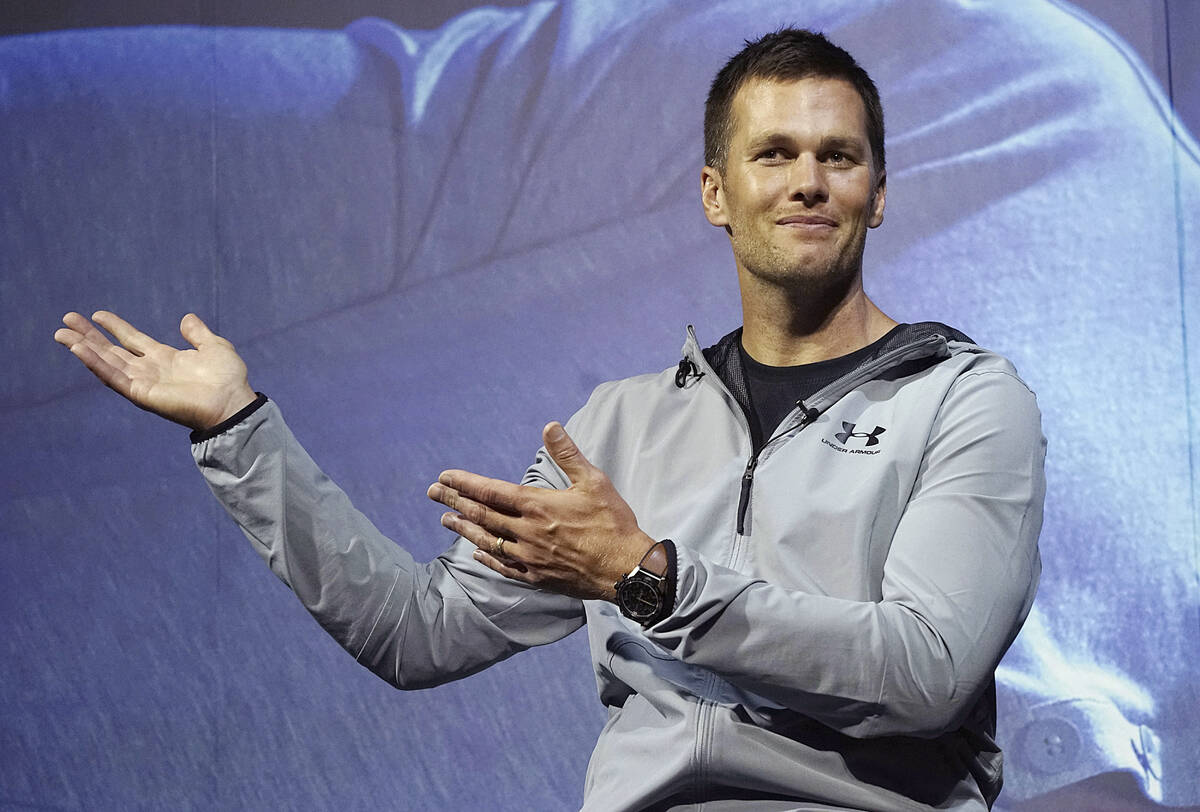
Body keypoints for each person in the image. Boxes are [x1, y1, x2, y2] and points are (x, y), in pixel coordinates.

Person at [54, 29, 1045, 811]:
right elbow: (417, 632)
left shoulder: (962, 396)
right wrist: (239, 429)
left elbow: (925, 673)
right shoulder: (614, 426)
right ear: (716, 193)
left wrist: (647, 578)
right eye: (774, 152)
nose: (808, 181)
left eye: (839, 156)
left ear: (876, 195)